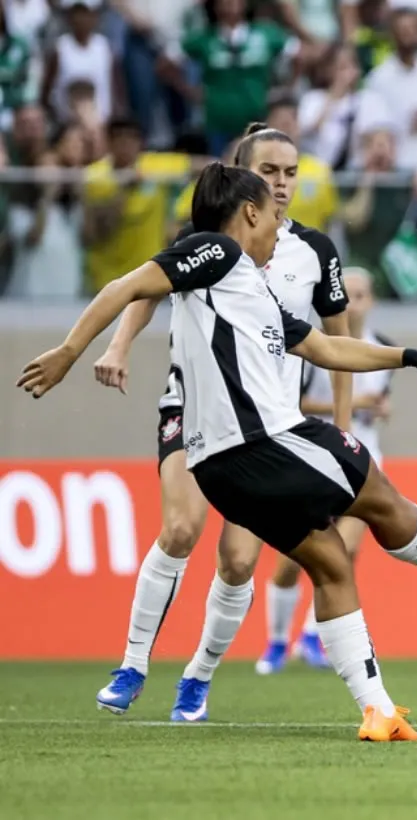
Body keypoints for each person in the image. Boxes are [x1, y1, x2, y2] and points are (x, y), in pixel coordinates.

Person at [18, 163, 417, 742]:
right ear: (250, 212)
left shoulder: (250, 291)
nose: (278, 226)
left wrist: (412, 357)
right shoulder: (217, 252)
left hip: (220, 472)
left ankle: (378, 712)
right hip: (269, 441)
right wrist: (70, 351)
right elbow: (126, 286)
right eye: (273, 214)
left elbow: (327, 348)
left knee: (329, 563)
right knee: (378, 493)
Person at [87, 122, 358, 723]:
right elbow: (146, 290)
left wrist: (342, 433)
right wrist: (118, 346)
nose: (281, 183)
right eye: (268, 171)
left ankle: (198, 677)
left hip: (268, 427)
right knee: (181, 528)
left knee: (238, 561)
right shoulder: (205, 240)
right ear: (241, 176)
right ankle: (131, 665)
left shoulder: (315, 251)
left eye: (291, 173)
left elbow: (339, 346)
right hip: (191, 407)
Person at [260, 268, 396, 672]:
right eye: (346, 295)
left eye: (361, 295)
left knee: (346, 550)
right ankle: (277, 641)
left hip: (362, 459)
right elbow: (293, 404)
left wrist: (380, 409)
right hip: (312, 457)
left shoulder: (384, 348)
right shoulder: (311, 345)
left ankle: (310, 635)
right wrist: (354, 405)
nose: (352, 304)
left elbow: (380, 402)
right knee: (295, 557)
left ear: (372, 301)